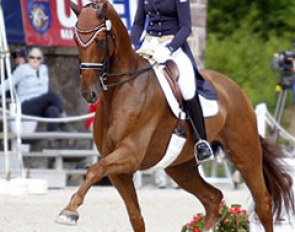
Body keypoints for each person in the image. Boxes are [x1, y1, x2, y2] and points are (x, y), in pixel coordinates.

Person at [130, 0, 214, 162]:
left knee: (187, 85)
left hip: (172, 45)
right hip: (149, 44)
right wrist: (133, 45)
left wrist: (169, 48)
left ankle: (201, 141)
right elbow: (138, 23)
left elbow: (185, 28)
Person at [0, 47, 65, 131]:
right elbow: (8, 83)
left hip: (41, 105)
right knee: (52, 96)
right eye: (32, 57)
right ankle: (64, 120)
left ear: (41, 59)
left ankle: (51, 136)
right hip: (26, 105)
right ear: (28, 58)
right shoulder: (22, 69)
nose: (35, 60)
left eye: (38, 58)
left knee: (53, 110)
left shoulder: (44, 69)